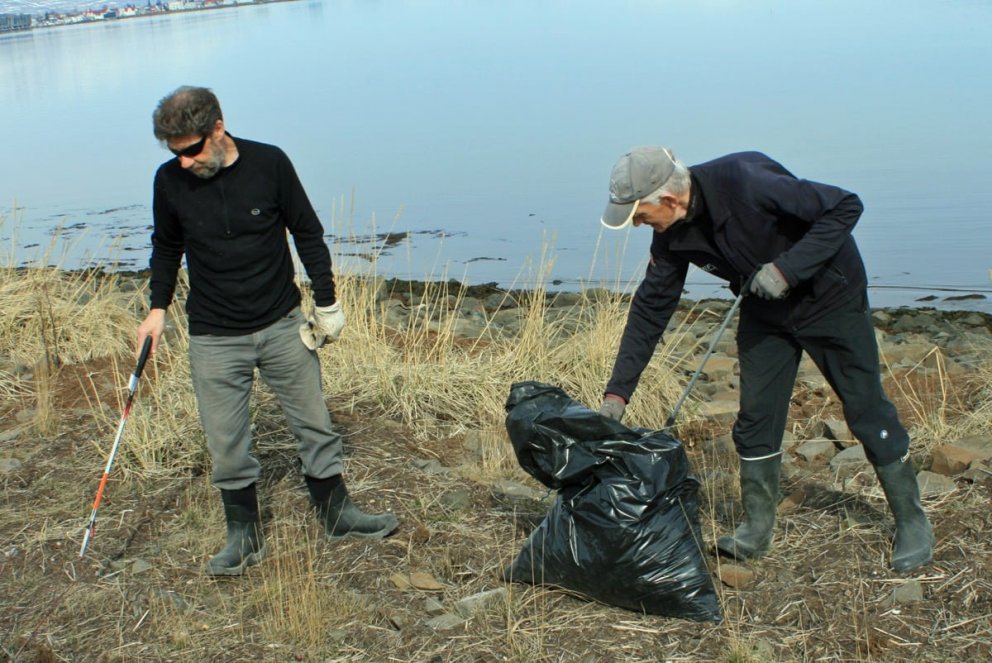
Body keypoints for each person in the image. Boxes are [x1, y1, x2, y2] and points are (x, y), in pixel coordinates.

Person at [597, 146, 933, 572]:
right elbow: (650, 309)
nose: (639, 225)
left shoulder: (746, 180)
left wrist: (788, 269)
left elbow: (845, 206)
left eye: (640, 215)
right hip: (764, 309)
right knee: (756, 417)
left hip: (831, 297)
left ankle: (911, 520)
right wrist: (618, 393)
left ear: (667, 199)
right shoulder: (670, 235)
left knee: (865, 407)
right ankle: (756, 528)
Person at [137, 86, 398, 576]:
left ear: (218, 128)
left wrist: (327, 302)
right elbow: (166, 248)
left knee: (315, 424)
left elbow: (307, 232)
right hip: (214, 335)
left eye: (192, 150)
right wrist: (157, 308)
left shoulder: (269, 163)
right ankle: (244, 535)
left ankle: (337, 514)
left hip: (282, 325)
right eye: (175, 154)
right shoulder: (168, 182)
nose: (186, 162)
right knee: (226, 440)